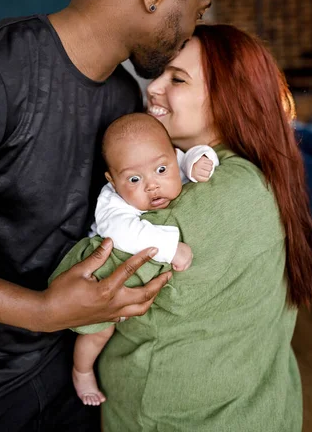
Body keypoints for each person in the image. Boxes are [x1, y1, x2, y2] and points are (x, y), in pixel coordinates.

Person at [0, 0, 221, 431]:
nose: (191, 32)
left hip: (69, 368)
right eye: (196, 12)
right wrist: (39, 311)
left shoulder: (120, 100)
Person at [51, 24, 312, 431]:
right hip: (252, 404)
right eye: (160, 73)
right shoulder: (254, 172)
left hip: (181, 415)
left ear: (229, 98)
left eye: (177, 78)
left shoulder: (216, 195)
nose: (152, 87)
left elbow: (80, 287)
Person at [53, 112, 218, 406]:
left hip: (139, 278)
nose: (152, 185)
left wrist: (199, 161)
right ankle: (82, 371)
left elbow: (194, 154)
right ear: (113, 181)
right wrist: (171, 247)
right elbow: (122, 233)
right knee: (99, 331)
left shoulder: (173, 163)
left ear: (172, 156)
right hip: (103, 273)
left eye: (161, 170)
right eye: (133, 179)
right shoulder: (111, 201)